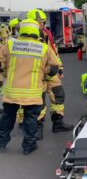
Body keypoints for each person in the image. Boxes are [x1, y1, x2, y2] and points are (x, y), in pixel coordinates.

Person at [0, 19, 58, 155]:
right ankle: (28, 146)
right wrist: (44, 75)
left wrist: (5, 74)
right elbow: (54, 68)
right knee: (31, 119)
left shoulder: (9, 45)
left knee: (7, 117)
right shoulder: (43, 48)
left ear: (21, 30)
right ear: (36, 31)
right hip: (32, 93)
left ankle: (1, 143)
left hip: (11, 91)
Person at [26, 9, 73, 136]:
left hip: (50, 72)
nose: (41, 25)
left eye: (43, 22)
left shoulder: (46, 34)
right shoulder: (26, 38)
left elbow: (53, 52)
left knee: (59, 94)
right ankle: (37, 127)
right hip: (37, 73)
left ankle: (58, 123)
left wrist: (60, 67)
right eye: (38, 22)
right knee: (38, 101)